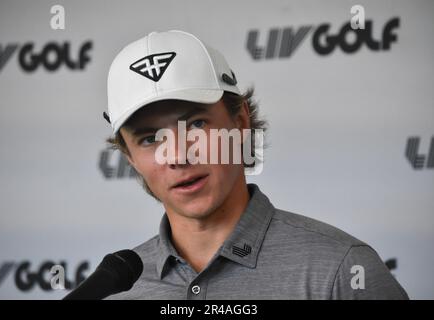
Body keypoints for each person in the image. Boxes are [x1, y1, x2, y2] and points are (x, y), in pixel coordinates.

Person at [103, 30, 408, 299]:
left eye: (195, 124)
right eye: (149, 139)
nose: (178, 155)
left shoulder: (342, 270)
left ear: (240, 122)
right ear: (129, 157)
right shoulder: (114, 291)